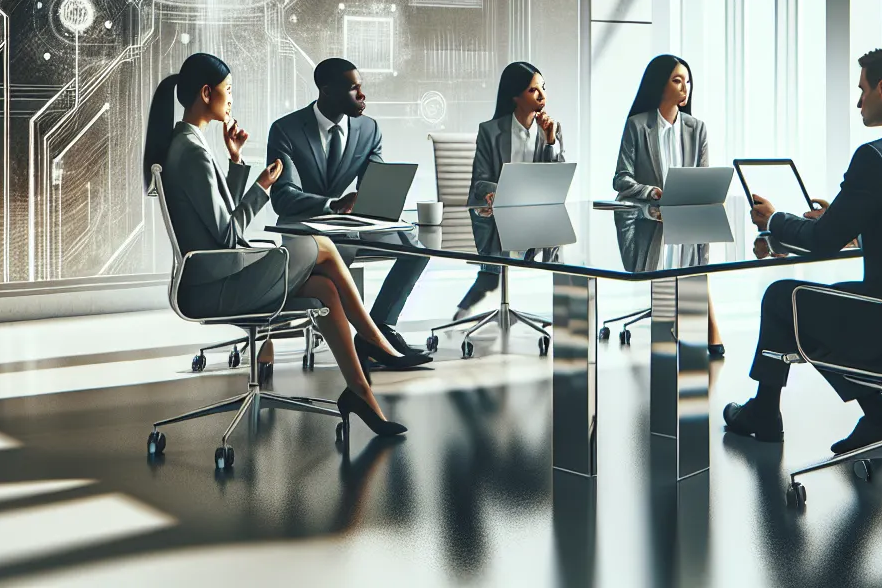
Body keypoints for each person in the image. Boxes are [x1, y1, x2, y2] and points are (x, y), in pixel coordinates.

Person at [143, 53, 427, 439]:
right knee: (323, 246)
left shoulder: (186, 143)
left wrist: (236, 161)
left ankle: (360, 392)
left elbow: (214, 219)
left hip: (216, 275)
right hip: (217, 284)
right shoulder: (191, 150)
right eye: (228, 91)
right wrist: (262, 186)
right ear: (206, 93)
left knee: (326, 288)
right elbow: (227, 236)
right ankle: (375, 339)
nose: (231, 100)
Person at [721, 46, 882, 455]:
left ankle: (803, 412)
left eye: (862, 91)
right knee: (814, 301)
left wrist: (773, 221)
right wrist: (849, 224)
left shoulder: (877, 156)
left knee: (782, 299)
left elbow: (822, 242)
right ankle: (771, 411)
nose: (858, 101)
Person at [266, 58, 429, 358]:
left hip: (349, 227)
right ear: (326, 91)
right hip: (305, 228)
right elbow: (283, 196)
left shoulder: (368, 129)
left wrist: (379, 199)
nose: (362, 95)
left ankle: (380, 329)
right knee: (337, 256)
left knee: (416, 248)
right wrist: (332, 204)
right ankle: (363, 342)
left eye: (361, 87)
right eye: (354, 89)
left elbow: (373, 184)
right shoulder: (286, 130)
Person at [612, 54, 724, 356]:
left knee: (695, 261)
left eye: (688, 81)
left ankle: (692, 324)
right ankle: (692, 327)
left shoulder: (696, 128)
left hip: (687, 221)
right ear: (660, 85)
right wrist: (652, 192)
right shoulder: (637, 126)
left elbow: (701, 177)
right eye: (677, 80)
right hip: (650, 222)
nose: (685, 87)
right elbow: (621, 179)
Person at [453, 61, 566, 318]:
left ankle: (565, 319)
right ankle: (466, 308)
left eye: (543, 88)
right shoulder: (491, 131)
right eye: (533, 90)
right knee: (493, 272)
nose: (542, 95)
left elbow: (556, 179)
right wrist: (497, 191)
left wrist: (550, 141)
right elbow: (480, 180)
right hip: (497, 217)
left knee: (560, 256)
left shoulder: (551, 130)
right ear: (515, 96)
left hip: (538, 218)